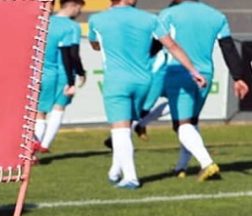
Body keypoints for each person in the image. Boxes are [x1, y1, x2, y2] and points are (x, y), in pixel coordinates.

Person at [88, 0, 206, 189]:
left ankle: (131, 177)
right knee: (125, 127)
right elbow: (172, 45)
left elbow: (95, 45)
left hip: (116, 80)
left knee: (120, 129)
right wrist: (193, 71)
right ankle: (115, 172)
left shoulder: (97, 19)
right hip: (143, 81)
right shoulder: (150, 19)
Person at [159, 0, 250, 180]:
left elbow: (155, 44)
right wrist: (238, 77)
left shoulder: (168, 14)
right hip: (205, 75)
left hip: (179, 71)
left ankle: (207, 164)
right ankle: (181, 167)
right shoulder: (216, 16)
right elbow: (228, 47)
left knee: (182, 124)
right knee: (190, 123)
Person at [34, 0, 86, 154]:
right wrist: (80, 73)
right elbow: (72, 54)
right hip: (64, 73)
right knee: (59, 108)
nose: (79, 12)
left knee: (40, 111)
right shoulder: (72, 26)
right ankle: (45, 145)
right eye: (79, 8)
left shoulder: (44, 22)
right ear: (73, 5)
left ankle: (33, 148)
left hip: (43, 72)